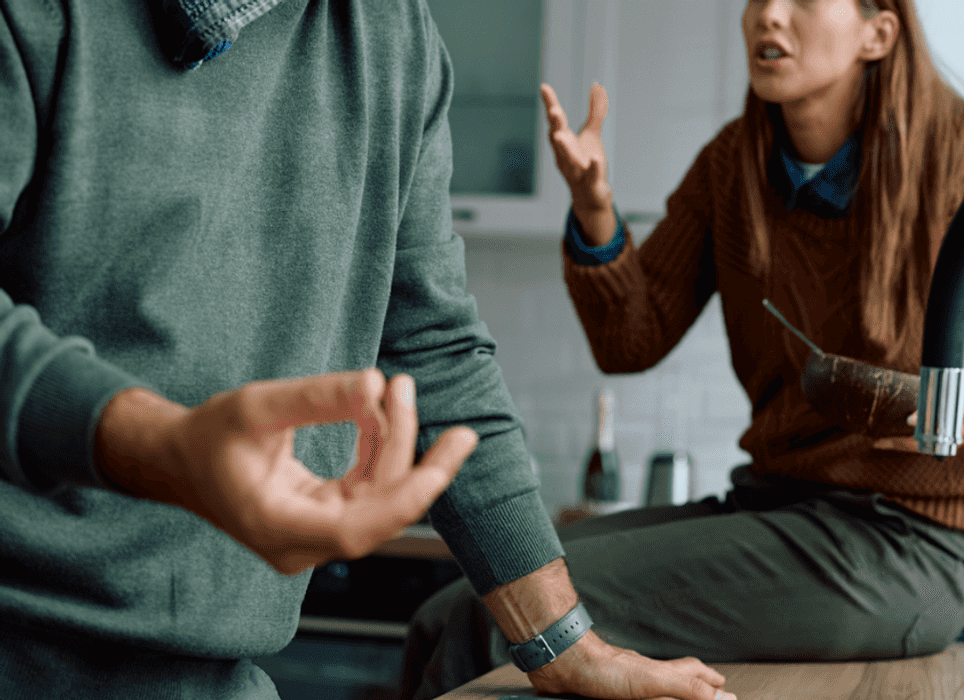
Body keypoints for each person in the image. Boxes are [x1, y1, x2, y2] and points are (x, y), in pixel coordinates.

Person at [0, 2, 735, 699]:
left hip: (216, 673)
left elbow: (432, 346)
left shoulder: (392, 30)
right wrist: (162, 446)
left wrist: (564, 642)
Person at [401, 0, 964, 696]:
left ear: (877, 33)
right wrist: (595, 213)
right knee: (463, 602)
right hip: (772, 508)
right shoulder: (732, 167)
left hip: (901, 548)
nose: (767, 16)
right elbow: (630, 339)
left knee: (485, 621)